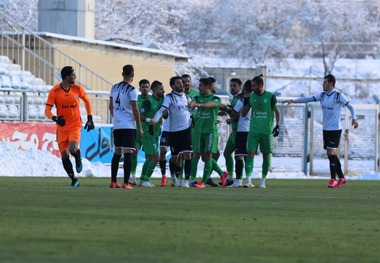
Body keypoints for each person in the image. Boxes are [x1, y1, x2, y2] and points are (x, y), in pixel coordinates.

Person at [283, 74, 359, 188]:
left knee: (330, 152)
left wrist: (354, 118)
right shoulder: (322, 96)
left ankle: (333, 179)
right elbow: (308, 99)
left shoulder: (338, 96)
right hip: (326, 129)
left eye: (325, 82)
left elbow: (351, 107)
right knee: (331, 155)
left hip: (335, 129)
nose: (322, 84)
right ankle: (342, 177)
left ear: (331, 84)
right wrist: (293, 100)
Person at [45, 66, 94, 187]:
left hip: (75, 125)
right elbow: (47, 111)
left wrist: (90, 118)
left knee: (72, 149)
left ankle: (78, 157)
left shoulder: (77, 88)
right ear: (66, 77)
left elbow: (87, 101)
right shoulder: (54, 91)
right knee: (64, 155)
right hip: (61, 128)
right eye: (73, 75)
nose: (75, 77)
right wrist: (55, 118)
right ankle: (73, 179)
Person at [151, 76, 192, 187]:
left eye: (182, 83)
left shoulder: (186, 97)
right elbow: (162, 110)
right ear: (173, 86)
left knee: (188, 155)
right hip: (173, 132)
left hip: (186, 130)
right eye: (179, 83)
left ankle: (186, 181)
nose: (182, 84)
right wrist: (155, 119)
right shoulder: (169, 97)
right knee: (174, 157)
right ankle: (172, 174)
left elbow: (193, 109)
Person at [241, 75, 281, 189]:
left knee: (266, 155)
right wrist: (245, 102)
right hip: (253, 131)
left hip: (266, 132)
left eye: (254, 86)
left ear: (260, 85)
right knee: (250, 153)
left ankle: (263, 181)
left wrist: (277, 126)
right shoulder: (251, 97)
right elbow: (243, 114)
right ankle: (248, 181)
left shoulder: (270, 96)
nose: (252, 88)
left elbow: (277, 112)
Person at [188, 77, 228, 188]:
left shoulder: (215, 99)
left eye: (201, 85)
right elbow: (192, 102)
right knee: (195, 154)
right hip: (198, 131)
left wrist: (198, 105)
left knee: (207, 156)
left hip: (210, 131)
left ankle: (204, 182)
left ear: (208, 87)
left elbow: (211, 105)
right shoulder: (196, 97)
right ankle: (192, 180)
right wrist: (192, 104)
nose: (199, 88)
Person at [109, 64, 143, 189]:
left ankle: (113, 181)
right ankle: (126, 183)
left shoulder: (114, 88)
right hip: (128, 125)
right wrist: (139, 127)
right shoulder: (132, 90)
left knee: (117, 152)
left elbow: (111, 106)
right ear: (133, 75)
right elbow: (135, 109)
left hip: (117, 125)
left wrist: (116, 118)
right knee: (128, 152)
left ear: (122, 74)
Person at [138, 80, 165, 187]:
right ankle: (146, 180)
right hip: (147, 132)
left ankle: (142, 179)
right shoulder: (148, 101)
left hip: (155, 133)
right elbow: (139, 115)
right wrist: (150, 120)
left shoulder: (162, 100)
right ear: (154, 90)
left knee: (149, 158)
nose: (163, 91)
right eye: (161, 89)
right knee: (155, 158)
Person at [229, 80, 254, 188]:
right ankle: (243, 180)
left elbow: (237, 113)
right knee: (242, 156)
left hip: (247, 131)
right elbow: (235, 114)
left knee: (242, 156)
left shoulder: (249, 100)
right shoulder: (246, 100)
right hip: (245, 131)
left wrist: (226, 109)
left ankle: (243, 180)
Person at [219, 78, 243, 185]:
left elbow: (239, 114)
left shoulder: (241, 99)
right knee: (227, 153)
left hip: (240, 131)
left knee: (239, 155)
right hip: (234, 131)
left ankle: (242, 179)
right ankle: (231, 178)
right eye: (231, 85)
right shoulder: (234, 99)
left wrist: (231, 118)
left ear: (240, 87)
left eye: (235, 86)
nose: (232, 88)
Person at [131, 79, 150, 185]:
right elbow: (135, 114)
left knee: (149, 156)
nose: (145, 89)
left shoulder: (152, 99)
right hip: (137, 131)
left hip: (149, 132)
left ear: (149, 88)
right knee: (134, 152)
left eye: (147, 87)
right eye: (143, 87)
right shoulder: (136, 99)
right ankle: (133, 177)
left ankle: (143, 178)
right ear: (140, 88)